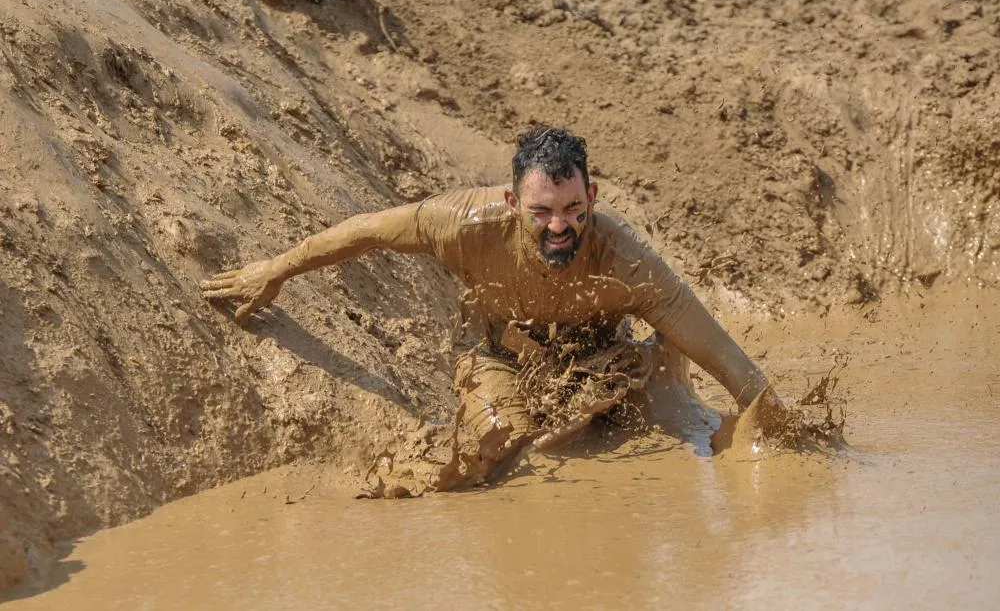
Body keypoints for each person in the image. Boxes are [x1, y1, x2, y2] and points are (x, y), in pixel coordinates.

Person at [201, 125, 773, 493]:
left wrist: (773, 415)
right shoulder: (464, 224)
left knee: (656, 411)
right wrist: (275, 269)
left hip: (602, 355)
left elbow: (714, 343)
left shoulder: (623, 257)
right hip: (499, 352)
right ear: (511, 202)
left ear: (591, 199)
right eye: (541, 212)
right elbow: (369, 231)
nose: (558, 227)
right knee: (495, 448)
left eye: (573, 210)